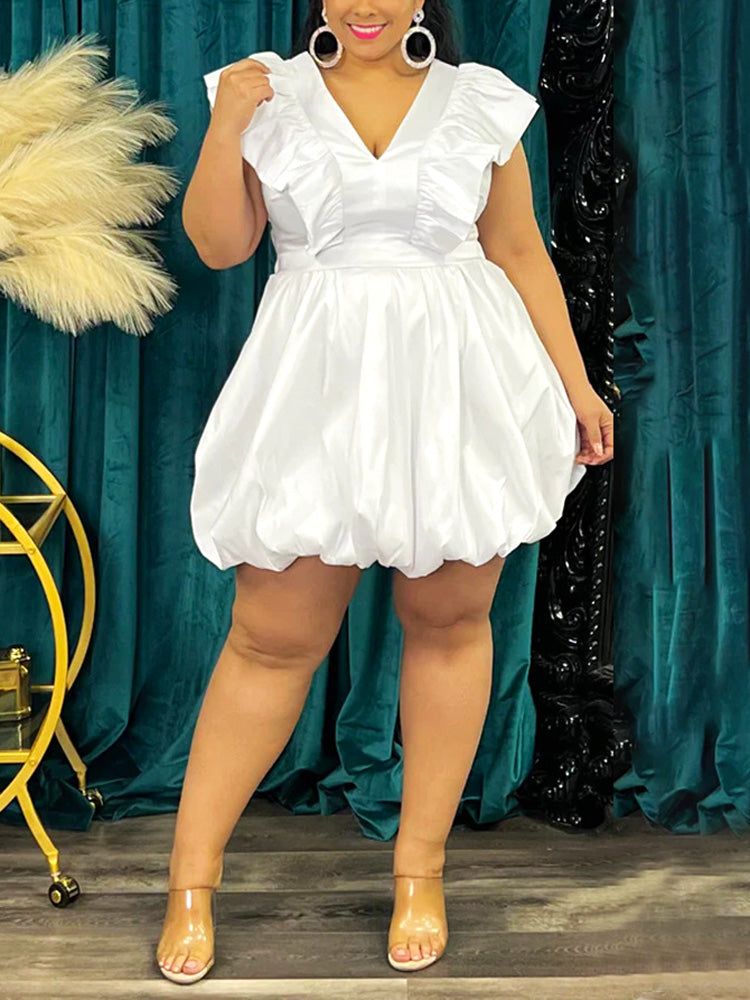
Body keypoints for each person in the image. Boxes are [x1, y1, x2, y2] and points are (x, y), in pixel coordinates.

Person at [157, 0, 614, 984]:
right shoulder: (264, 92)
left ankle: (420, 870)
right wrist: (228, 127)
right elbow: (222, 246)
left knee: (449, 622)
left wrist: (576, 386)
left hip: (458, 384)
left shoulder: (478, 100)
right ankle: (190, 881)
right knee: (271, 637)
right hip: (313, 385)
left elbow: (518, 249)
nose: (366, 5)